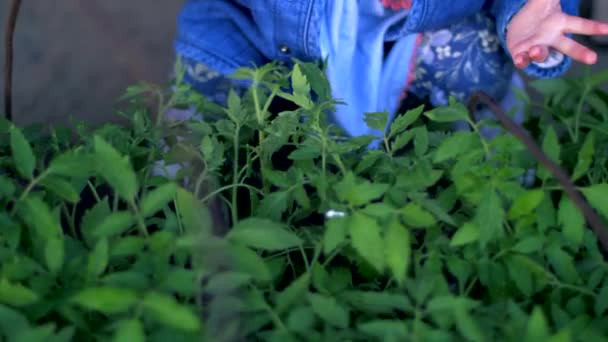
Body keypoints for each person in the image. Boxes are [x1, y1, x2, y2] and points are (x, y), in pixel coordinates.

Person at [170, 0, 608, 137]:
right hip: (263, 37)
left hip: (420, 32)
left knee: (475, 57)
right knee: (211, 97)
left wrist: (526, 14)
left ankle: (462, 181)